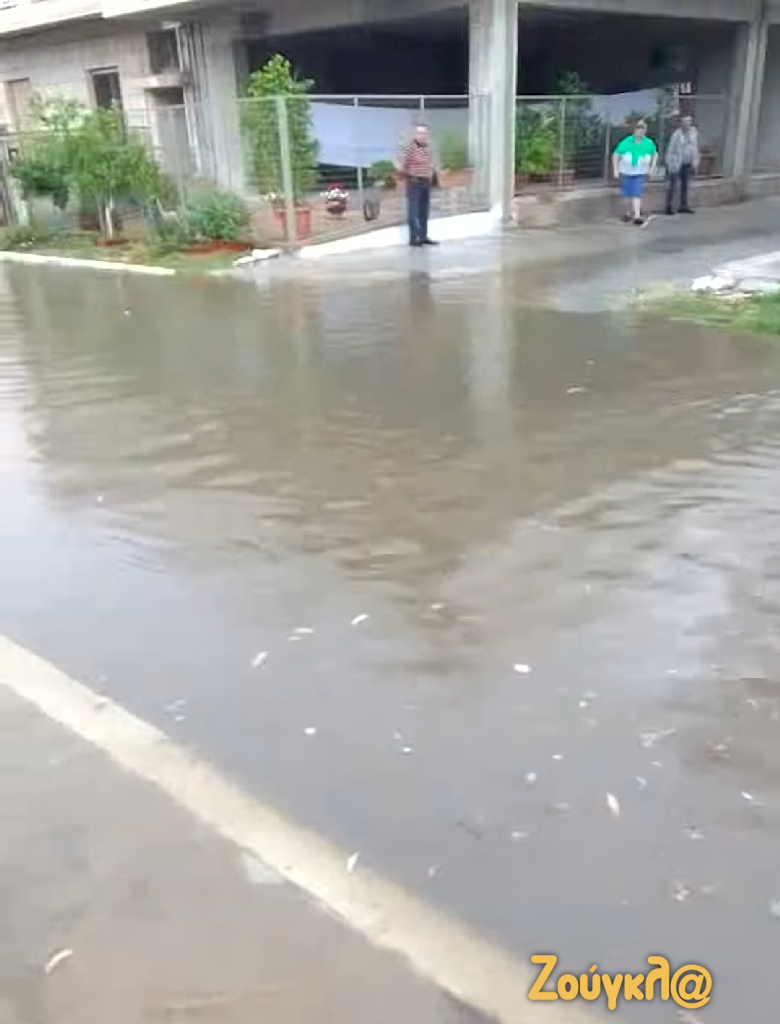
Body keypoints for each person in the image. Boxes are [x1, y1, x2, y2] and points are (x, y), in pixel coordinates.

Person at [398, 124, 439, 247]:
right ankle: (414, 237)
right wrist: (409, 176)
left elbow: (430, 163)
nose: (422, 136)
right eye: (420, 133)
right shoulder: (410, 148)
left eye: (424, 133)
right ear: (415, 135)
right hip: (414, 182)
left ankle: (423, 236)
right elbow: (402, 165)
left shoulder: (427, 148)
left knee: (424, 210)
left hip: (426, 182)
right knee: (413, 211)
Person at [612, 119, 658, 225]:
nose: (640, 133)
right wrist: (615, 170)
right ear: (634, 131)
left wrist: (652, 167)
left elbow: (655, 154)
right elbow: (616, 154)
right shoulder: (626, 142)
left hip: (639, 173)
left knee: (637, 194)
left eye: (642, 130)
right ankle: (627, 213)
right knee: (627, 195)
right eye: (638, 130)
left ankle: (637, 215)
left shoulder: (648, 143)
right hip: (626, 172)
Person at [665, 113, 700, 215]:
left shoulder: (693, 133)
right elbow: (671, 149)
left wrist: (695, 161)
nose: (687, 123)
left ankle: (683, 206)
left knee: (685, 185)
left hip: (687, 162)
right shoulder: (676, 134)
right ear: (681, 123)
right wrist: (669, 163)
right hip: (676, 162)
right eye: (685, 121)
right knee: (673, 185)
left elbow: (695, 148)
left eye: (689, 121)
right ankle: (669, 207)